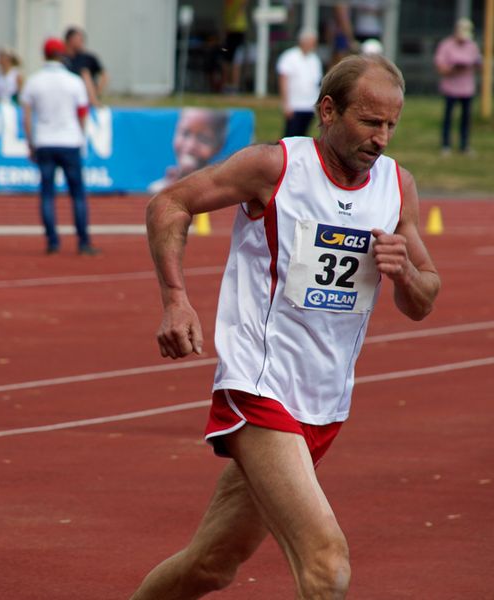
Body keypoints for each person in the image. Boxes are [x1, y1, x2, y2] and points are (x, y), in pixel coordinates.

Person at [131, 53, 440, 599]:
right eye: (370, 122)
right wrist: (176, 299)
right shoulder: (273, 167)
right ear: (328, 110)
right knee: (327, 566)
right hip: (259, 386)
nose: (382, 138)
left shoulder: (397, 186)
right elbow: (171, 204)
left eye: (392, 124)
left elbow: (424, 299)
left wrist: (404, 273)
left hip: (324, 403)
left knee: (210, 565)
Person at [21, 37, 99, 255]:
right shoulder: (74, 81)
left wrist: (30, 143)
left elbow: (26, 117)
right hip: (69, 141)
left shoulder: (34, 81)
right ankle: (83, 241)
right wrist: (81, 137)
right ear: (62, 54)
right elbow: (83, 113)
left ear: (44, 55)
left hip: (45, 141)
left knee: (47, 194)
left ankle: (52, 241)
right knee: (77, 194)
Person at [148, 108, 228, 194]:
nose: (190, 146)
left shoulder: (220, 191)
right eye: (185, 133)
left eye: (203, 138)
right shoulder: (157, 188)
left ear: (219, 145)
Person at [434, 17, 481, 156]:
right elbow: (440, 68)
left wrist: (474, 65)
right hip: (451, 88)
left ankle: (464, 145)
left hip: (467, 89)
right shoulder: (446, 45)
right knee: (448, 117)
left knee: (466, 119)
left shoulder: (472, 45)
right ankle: (446, 144)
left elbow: (479, 64)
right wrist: (454, 69)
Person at [276, 28, 323, 138]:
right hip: (295, 105)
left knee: (303, 136)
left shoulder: (314, 59)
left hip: (310, 105)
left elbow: (317, 82)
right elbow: (283, 80)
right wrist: (286, 103)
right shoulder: (289, 56)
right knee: (290, 136)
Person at [64, 26, 107, 108]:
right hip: (68, 97)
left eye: (82, 39)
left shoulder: (88, 58)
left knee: (85, 74)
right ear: (69, 40)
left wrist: (96, 91)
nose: (81, 42)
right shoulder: (62, 59)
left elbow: (104, 75)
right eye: (78, 39)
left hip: (84, 99)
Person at [221, 0, 248, 93]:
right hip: (230, 31)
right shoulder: (228, 3)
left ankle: (234, 86)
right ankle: (227, 85)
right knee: (227, 61)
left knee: (235, 61)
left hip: (238, 31)